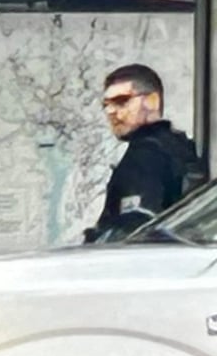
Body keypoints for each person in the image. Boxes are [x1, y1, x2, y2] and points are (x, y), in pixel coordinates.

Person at [84, 64, 207, 244]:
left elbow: (135, 231)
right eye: (106, 105)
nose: (111, 112)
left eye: (121, 101)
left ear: (152, 101)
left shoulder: (145, 155)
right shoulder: (178, 147)